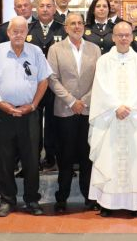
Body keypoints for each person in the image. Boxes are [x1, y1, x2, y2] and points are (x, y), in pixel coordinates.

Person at [0, 16, 53, 217]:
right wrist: (0, 102)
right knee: (4, 160)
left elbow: (44, 81)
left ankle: (32, 200)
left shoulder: (36, 52)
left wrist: (33, 105)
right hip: (4, 114)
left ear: (26, 33)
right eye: (15, 31)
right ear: (8, 33)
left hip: (29, 114)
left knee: (31, 160)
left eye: (22, 31)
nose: (19, 34)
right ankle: (7, 200)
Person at [88, 21, 137, 217]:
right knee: (108, 159)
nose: (124, 38)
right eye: (119, 35)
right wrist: (115, 107)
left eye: (127, 35)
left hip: (133, 119)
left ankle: (134, 204)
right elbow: (100, 88)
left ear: (131, 36)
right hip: (109, 119)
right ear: (113, 37)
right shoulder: (103, 61)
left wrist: (127, 108)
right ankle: (107, 203)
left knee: (134, 162)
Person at [47, 13, 101, 213]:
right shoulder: (55, 49)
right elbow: (52, 79)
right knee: (65, 157)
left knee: (87, 156)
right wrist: (71, 101)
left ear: (84, 26)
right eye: (73, 23)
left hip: (88, 110)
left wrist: (84, 101)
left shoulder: (94, 49)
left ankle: (89, 197)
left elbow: (99, 79)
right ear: (66, 27)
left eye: (80, 23)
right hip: (64, 110)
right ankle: (62, 198)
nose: (77, 26)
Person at [27, 0, 67, 171]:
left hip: (54, 84)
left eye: (49, 6)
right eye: (41, 6)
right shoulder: (29, 29)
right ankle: (32, 157)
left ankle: (51, 157)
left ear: (54, 8)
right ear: (36, 8)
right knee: (32, 123)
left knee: (52, 122)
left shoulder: (63, 29)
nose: (45, 9)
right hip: (32, 85)